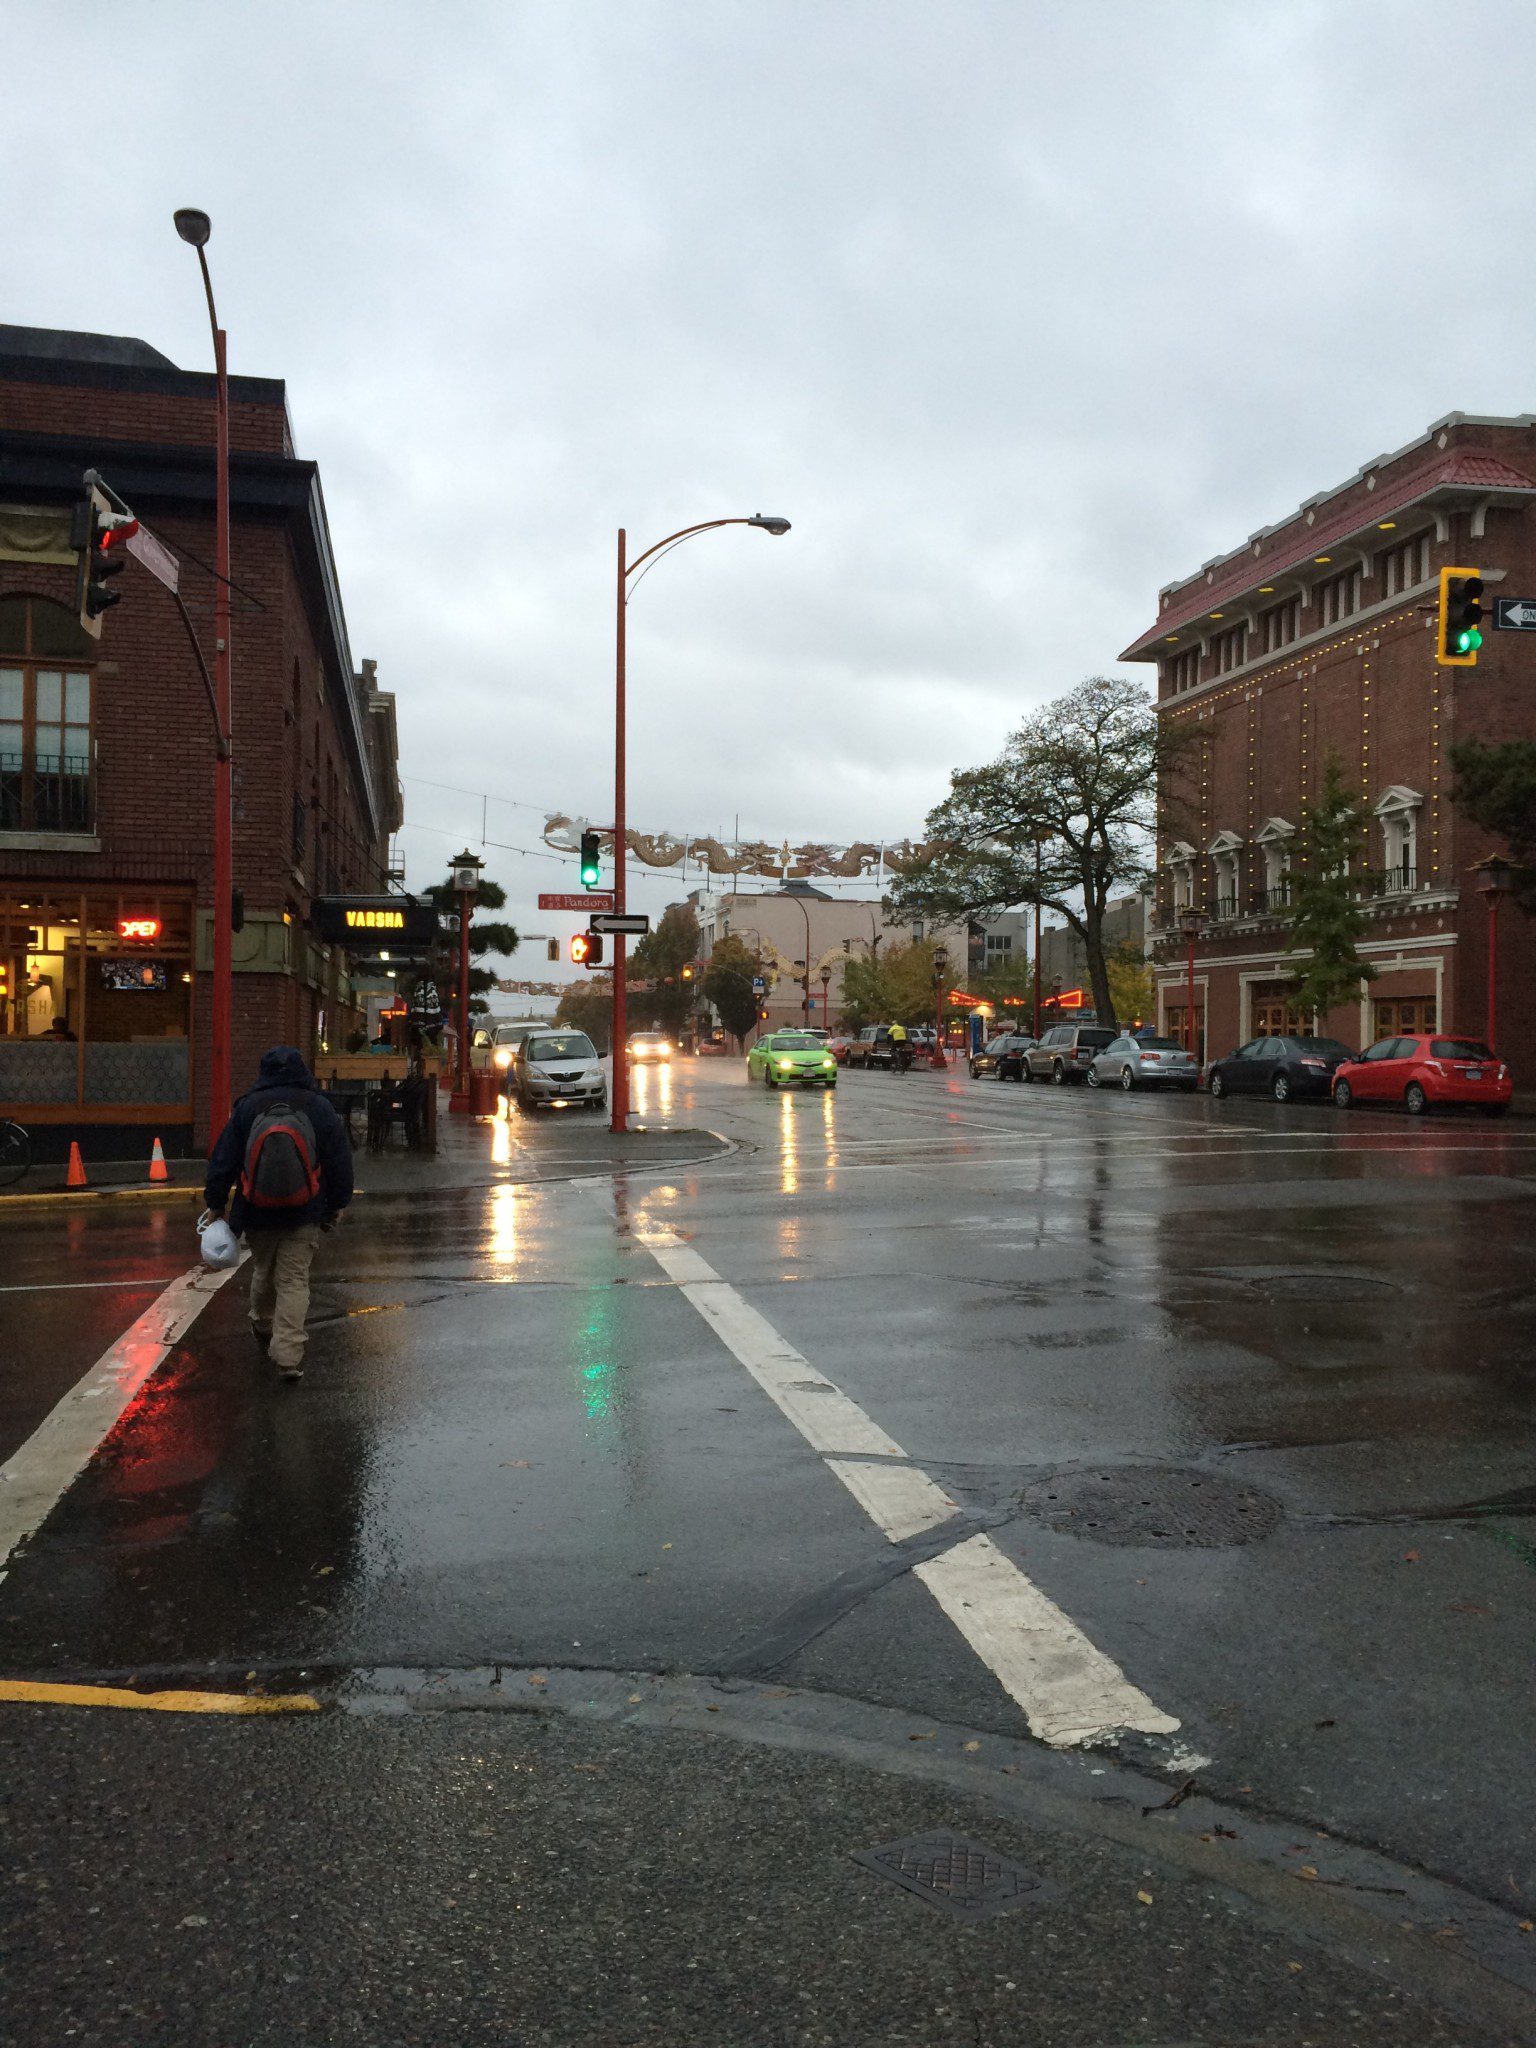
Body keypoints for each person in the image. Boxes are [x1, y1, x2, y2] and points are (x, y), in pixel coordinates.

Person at [202, 1046, 353, 1384]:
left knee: (263, 1268)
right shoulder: (318, 1107)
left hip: (256, 1209)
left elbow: (224, 1160)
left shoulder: (247, 1107)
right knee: (293, 1280)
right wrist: (336, 1204)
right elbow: (339, 1161)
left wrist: (216, 1204)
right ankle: (287, 1355)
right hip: (304, 1210)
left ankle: (261, 1320)